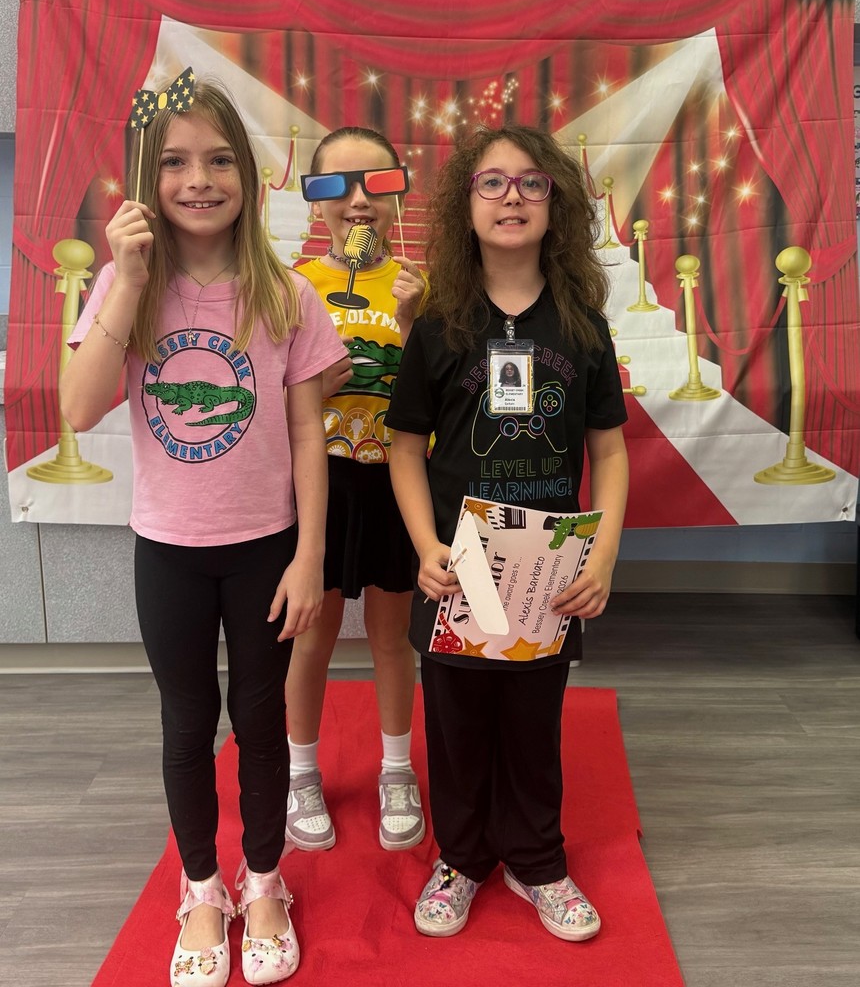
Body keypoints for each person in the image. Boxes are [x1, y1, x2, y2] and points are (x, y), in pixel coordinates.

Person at [60, 79, 347, 986]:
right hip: (169, 552)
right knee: (187, 722)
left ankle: (264, 882)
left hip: (266, 548)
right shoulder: (125, 288)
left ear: (248, 177)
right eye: (176, 162)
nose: (199, 180)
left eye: (220, 159)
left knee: (260, 723)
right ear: (149, 180)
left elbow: (309, 431)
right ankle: (201, 889)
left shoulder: (286, 293)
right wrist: (129, 280)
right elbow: (78, 407)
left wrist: (310, 556)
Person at [386, 125, 629, 941]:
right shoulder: (439, 324)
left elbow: (610, 450)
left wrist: (604, 553)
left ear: (557, 204)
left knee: (531, 723)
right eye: (491, 182)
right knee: (456, 724)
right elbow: (404, 447)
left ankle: (538, 861)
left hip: (548, 574)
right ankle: (460, 858)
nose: (512, 197)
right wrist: (425, 547)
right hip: (457, 569)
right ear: (466, 205)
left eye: (531, 182)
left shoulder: (583, 324)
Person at [284, 127, 427, 851]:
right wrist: (309, 392)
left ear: (398, 194)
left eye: (375, 183)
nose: (358, 201)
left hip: (398, 480)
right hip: (320, 483)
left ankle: (397, 769)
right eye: (337, 186)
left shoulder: (418, 285)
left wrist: (412, 324)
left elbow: (445, 394)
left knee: (391, 637)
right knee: (310, 636)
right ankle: (300, 773)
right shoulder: (293, 285)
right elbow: (263, 396)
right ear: (316, 202)